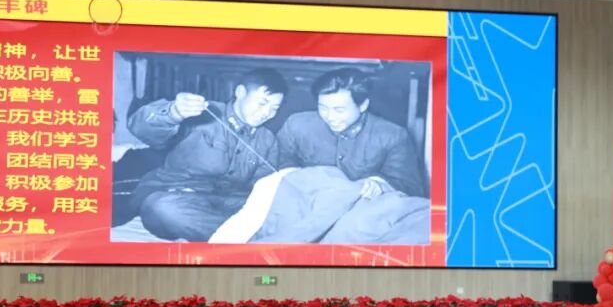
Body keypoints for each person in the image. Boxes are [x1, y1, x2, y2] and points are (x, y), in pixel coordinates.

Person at [126, 68, 286, 241]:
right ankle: (249, 238)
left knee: (280, 212)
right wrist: (174, 112)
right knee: (163, 209)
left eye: (274, 108)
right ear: (240, 92)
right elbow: (140, 127)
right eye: (262, 103)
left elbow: (261, 188)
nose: (267, 113)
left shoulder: (268, 140)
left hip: (229, 203)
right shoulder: (201, 113)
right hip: (180, 195)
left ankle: (239, 236)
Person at [276, 67, 425, 199]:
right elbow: (277, 160)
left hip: (362, 211)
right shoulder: (296, 124)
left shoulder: (392, 135)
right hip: (305, 201)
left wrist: (380, 184)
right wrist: (293, 174)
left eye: (339, 110)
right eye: (323, 108)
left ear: (363, 105)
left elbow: (411, 187)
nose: (330, 116)